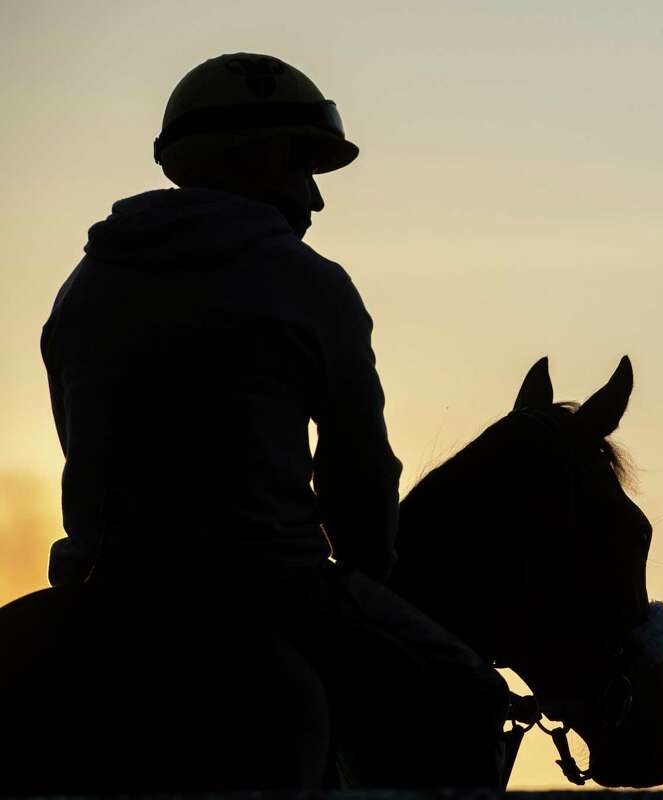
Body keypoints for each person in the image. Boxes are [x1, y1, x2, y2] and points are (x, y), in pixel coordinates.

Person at [36, 52, 508, 790]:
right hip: (265, 579)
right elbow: (358, 465)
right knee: (472, 698)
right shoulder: (307, 282)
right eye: (301, 166)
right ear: (252, 161)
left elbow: (79, 442)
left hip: (102, 579)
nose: (314, 198)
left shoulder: (83, 286)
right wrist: (369, 578)